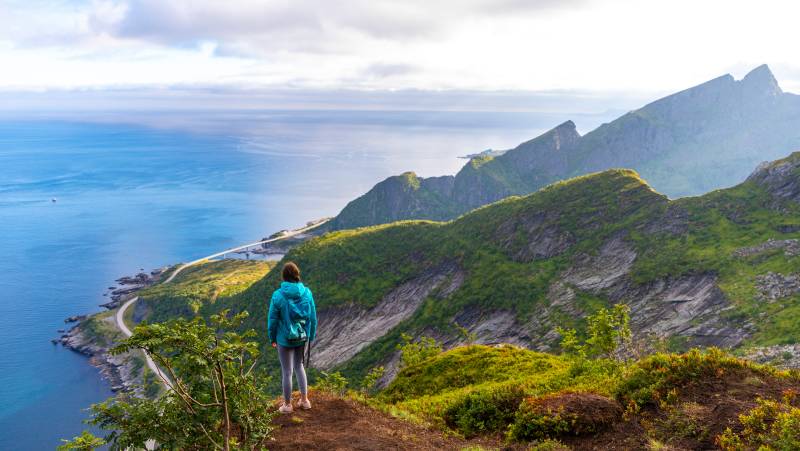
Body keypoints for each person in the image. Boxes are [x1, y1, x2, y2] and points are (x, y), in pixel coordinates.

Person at [268, 261, 317, 414]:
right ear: (297, 275)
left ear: (284, 276)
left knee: (287, 372)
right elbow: (313, 318)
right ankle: (305, 401)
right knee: (299, 366)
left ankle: (288, 406)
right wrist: (311, 335)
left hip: (284, 338)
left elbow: (273, 320)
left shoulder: (278, 295)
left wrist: (273, 338)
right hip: (302, 337)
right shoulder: (307, 293)